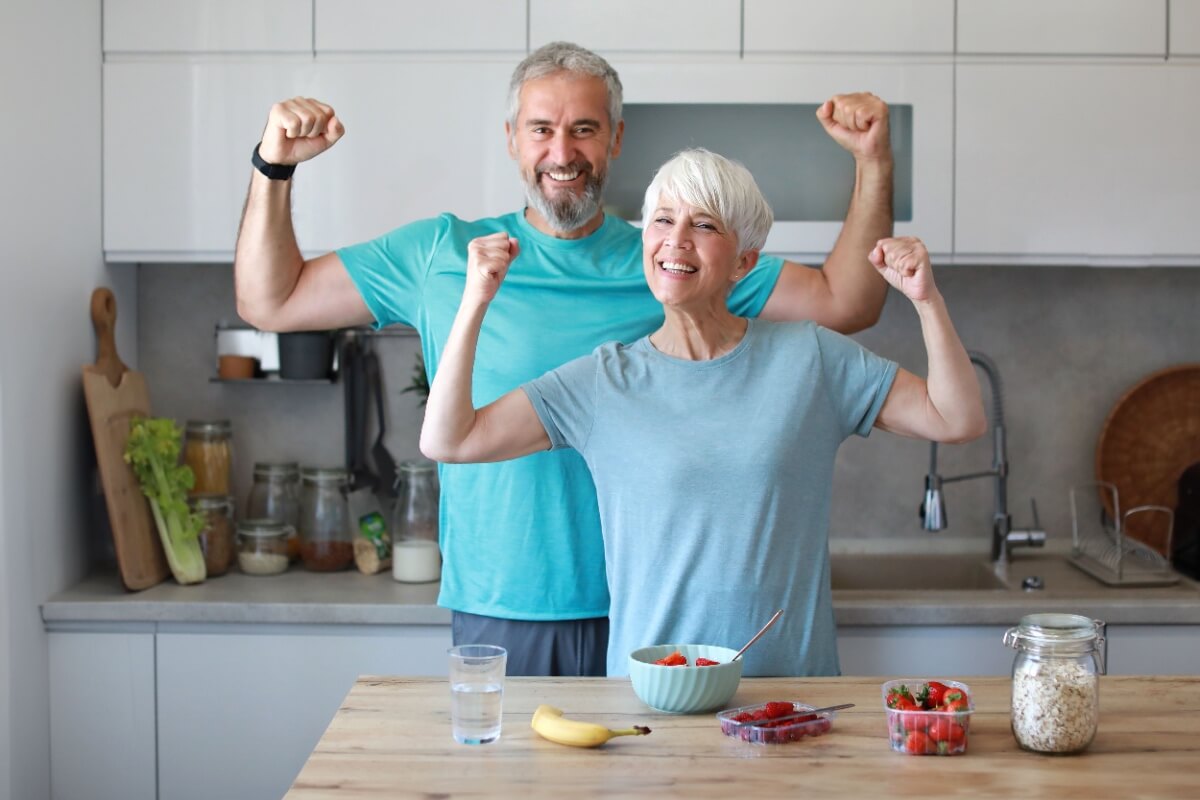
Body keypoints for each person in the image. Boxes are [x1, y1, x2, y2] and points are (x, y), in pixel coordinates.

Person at [234, 42, 896, 676]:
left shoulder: (672, 257)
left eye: (584, 129)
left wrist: (873, 162)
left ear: (616, 140)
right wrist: (274, 166)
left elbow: (847, 301)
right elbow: (273, 301)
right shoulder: (444, 255)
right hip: (508, 608)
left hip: (661, 615)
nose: (562, 151)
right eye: (541, 129)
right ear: (511, 139)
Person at [419, 148, 985, 676]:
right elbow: (451, 440)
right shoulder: (602, 381)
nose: (676, 240)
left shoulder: (808, 358)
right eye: (663, 220)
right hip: (656, 698)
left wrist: (926, 300)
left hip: (787, 701)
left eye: (705, 225)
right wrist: (475, 301)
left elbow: (955, 418)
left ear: (744, 261)